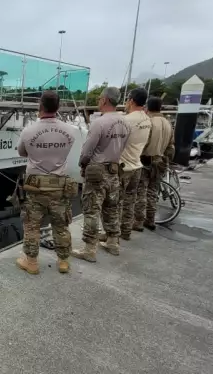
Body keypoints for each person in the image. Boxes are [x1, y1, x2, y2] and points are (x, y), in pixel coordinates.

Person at [15, 90, 78, 275]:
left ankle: (32, 262)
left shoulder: (28, 130)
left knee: (32, 225)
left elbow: (22, 152)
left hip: (35, 186)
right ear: (58, 107)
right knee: (61, 225)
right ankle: (63, 261)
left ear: (40, 106)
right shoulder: (70, 131)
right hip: (59, 184)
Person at [73, 86, 130, 261]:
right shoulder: (126, 123)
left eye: (99, 99)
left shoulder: (99, 123)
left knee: (92, 209)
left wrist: (82, 165)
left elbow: (87, 151)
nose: (98, 101)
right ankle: (113, 242)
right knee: (111, 207)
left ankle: (89, 249)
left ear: (105, 100)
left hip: (97, 171)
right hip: (114, 169)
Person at [135, 95, 175, 230]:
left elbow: (144, 143)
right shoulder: (168, 123)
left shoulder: (149, 122)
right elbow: (171, 146)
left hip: (146, 160)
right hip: (162, 161)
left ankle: (138, 221)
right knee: (153, 191)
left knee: (141, 191)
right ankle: (150, 219)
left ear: (147, 107)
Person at [117, 88, 152, 239]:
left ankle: (113, 234)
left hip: (124, 167)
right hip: (137, 165)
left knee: (116, 202)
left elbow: (115, 143)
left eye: (127, 99)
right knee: (130, 201)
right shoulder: (147, 119)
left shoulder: (126, 120)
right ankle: (126, 231)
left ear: (131, 100)